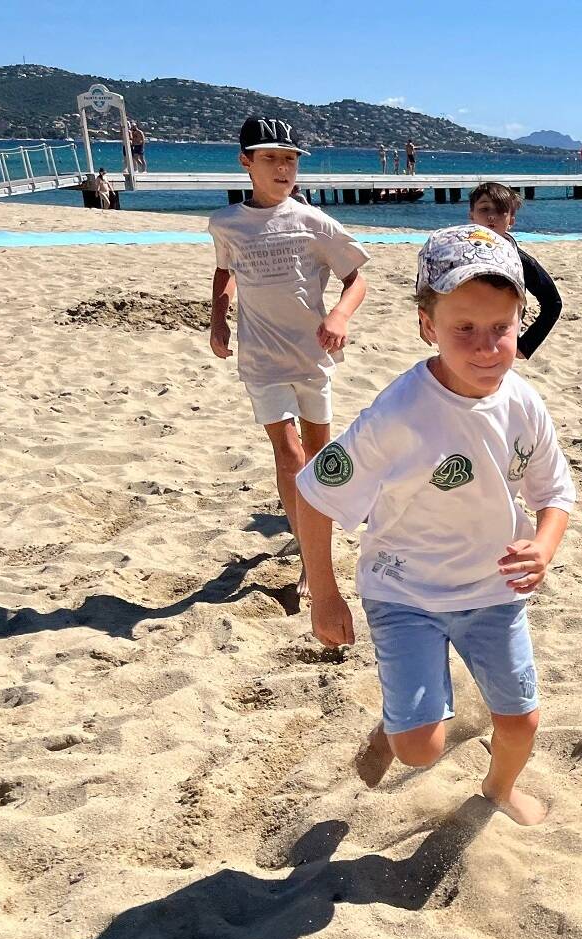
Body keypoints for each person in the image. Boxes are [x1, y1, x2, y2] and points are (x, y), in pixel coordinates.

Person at [296, 224, 576, 826]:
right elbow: (315, 497)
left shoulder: (524, 404)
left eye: (500, 328)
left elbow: (554, 492)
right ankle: (401, 722)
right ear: (428, 326)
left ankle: (498, 791)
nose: (485, 346)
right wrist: (324, 594)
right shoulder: (397, 414)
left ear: (520, 323)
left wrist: (544, 546)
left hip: (492, 591)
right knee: (417, 749)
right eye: (463, 329)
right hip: (404, 593)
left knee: (522, 721)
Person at [208, 117, 370, 596]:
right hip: (260, 359)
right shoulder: (226, 223)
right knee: (290, 455)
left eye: (290, 159)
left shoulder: (314, 222)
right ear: (246, 162)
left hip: (311, 355)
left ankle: (315, 534)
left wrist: (340, 316)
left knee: (320, 456)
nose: (282, 168)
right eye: (270, 158)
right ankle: (310, 557)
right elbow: (225, 270)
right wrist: (218, 319)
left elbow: (356, 279)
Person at [467, 182, 564, 361]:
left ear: (511, 219)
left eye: (500, 210)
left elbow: (553, 302)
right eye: (484, 209)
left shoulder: (520, 260)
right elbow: (429, 284)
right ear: (471, 215)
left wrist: (527, 345)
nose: (491, 217)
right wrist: (425, 324)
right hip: (462, 336)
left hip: (499, 341)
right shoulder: (456, 253)